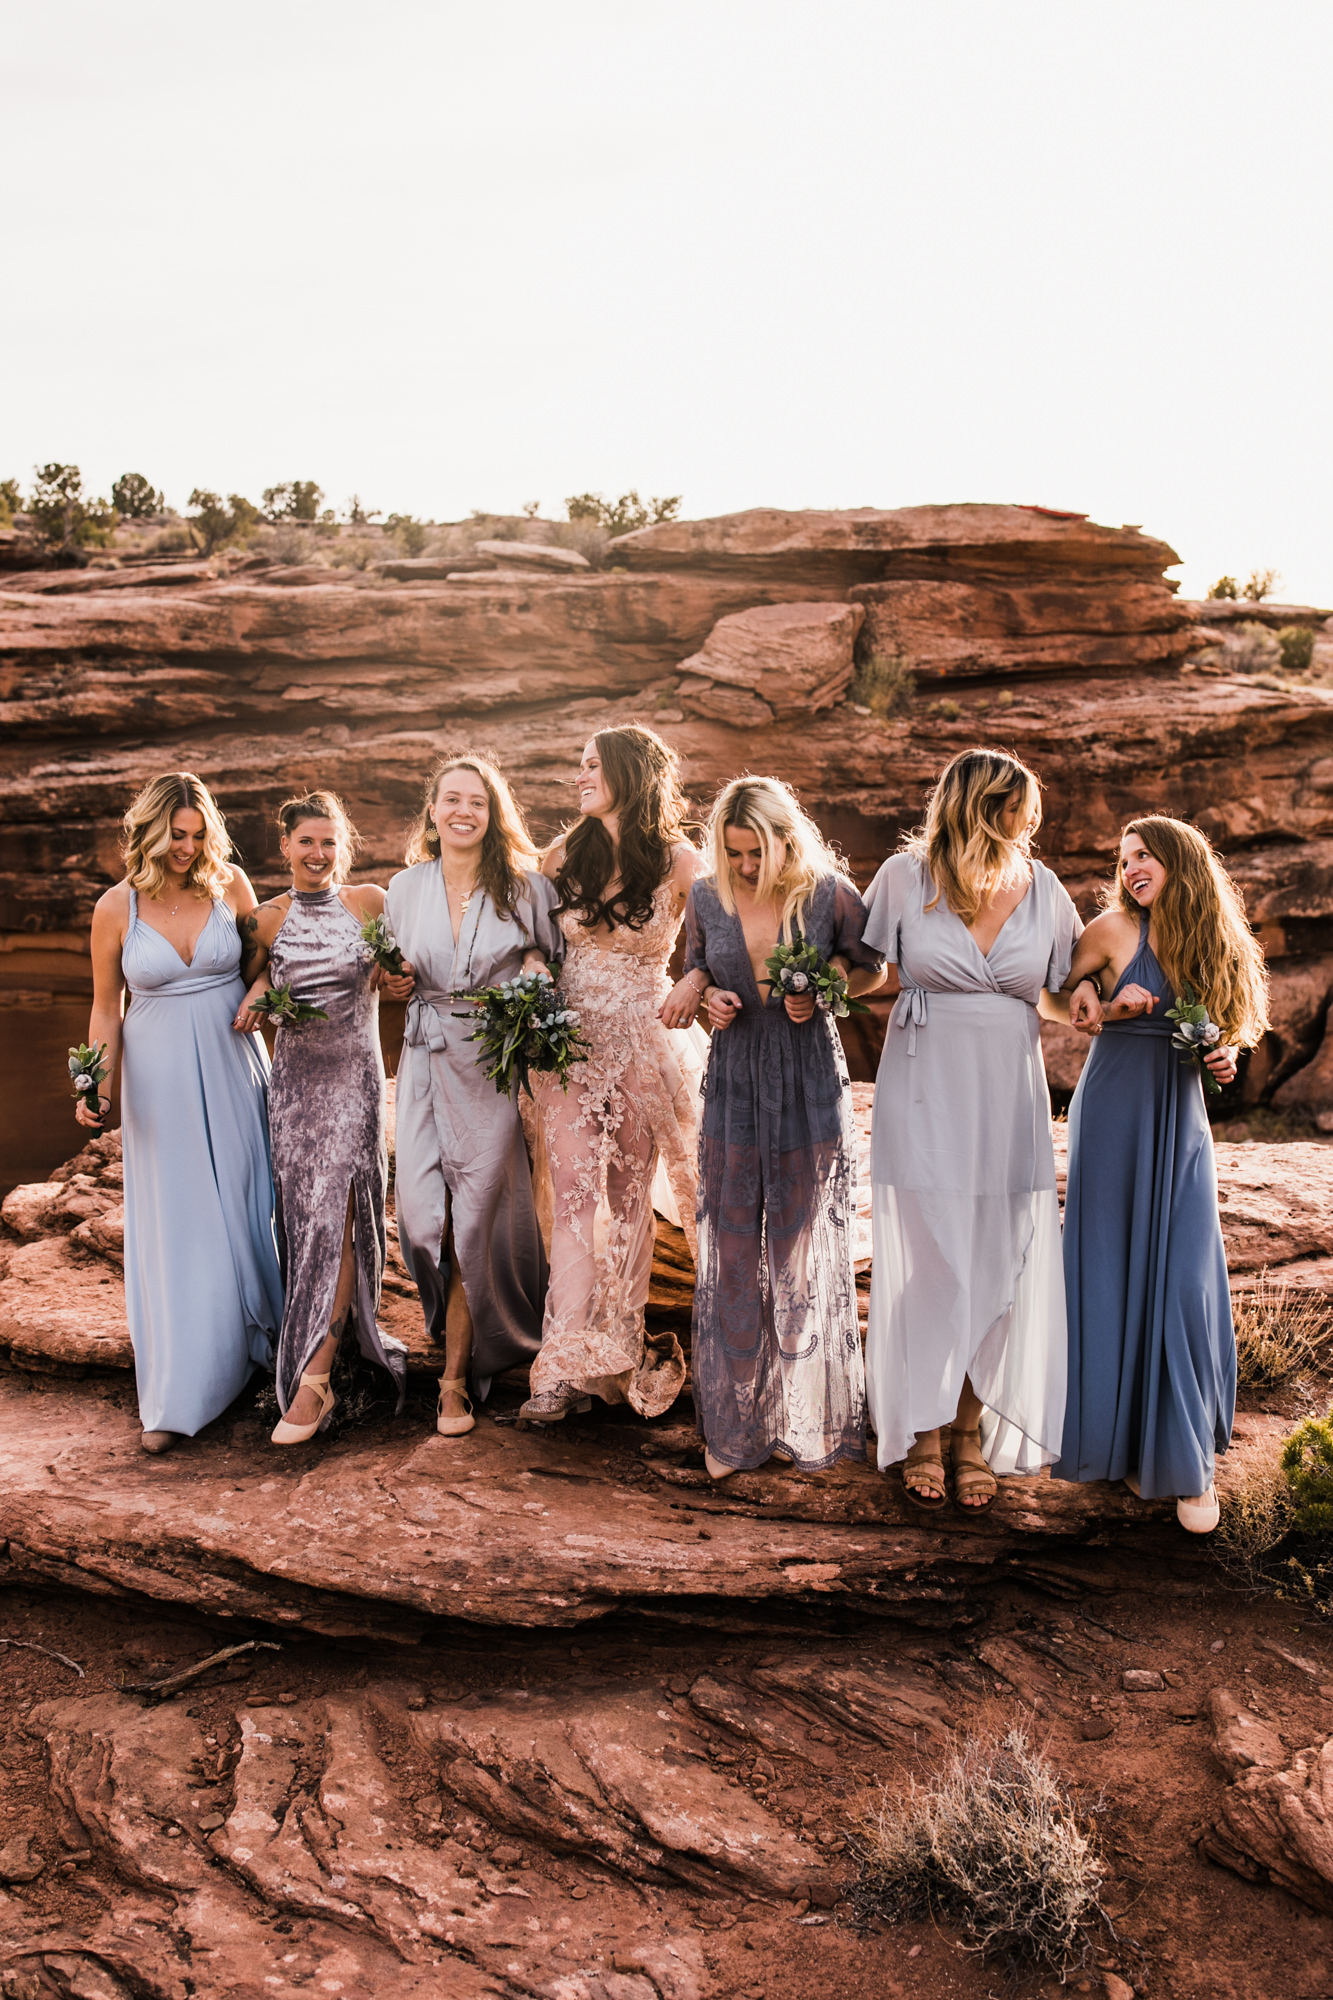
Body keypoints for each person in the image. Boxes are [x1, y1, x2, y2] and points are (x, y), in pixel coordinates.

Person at [862, 748, 1085, 1510]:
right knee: (935, 1258)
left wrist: (1100, 1007)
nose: (1030, 819)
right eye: (1019, 805)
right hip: (924, 1084)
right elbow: (863, 970)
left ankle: (968, 1430)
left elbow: (1058, 995)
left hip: (1006, 1094)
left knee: (996, 1258)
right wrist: (794, 983)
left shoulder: (1044, 887)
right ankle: (920, 1427)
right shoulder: (902, 878)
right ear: (984, 806)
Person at [1053, 816, 1267, 1532]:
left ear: (1179, 860)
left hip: (1178, 1117)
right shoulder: (1111, 931)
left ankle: (1183, 1461)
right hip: (1112, 1107)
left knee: (1183, 1276)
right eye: (1123, 859)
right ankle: (1110, 1446)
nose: (1131, 867)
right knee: (1108, 1268)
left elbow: (1230, 1033)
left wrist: (1225, 1058)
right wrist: (1105, 1006)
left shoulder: (1215, 942)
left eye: (1144, 855)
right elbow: (1056, 999)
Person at [684, 777, 885, 1479]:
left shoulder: (827, 892)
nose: (744, 866)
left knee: (797, 1251)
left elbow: (871, 967)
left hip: (806, 1081)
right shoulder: (705, 895)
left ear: (783, 838)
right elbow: (695, 966)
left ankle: (801, 1417)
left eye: (755, 852)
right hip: (735, 1079)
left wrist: (826, 983)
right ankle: (737, 1424)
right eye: (733, 852)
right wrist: (707, 994)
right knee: (735, 1252)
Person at [76, 772, 283, 1453]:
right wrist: (94, 1086)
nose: (188, 849)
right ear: (149, 832)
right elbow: (108, 1007)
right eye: (176, 836)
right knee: (183, 1220)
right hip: (159, 1075)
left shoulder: (231, 886)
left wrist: (258, 991)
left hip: (233, 1066)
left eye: (198, 836)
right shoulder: (116, 908)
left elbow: (266, 963)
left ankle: (267, 1350)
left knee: (250, 1202)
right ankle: (182, 1388)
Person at [519, 724, 708, 1423]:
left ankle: (616, 1350)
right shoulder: (561, 854)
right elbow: (532, 944)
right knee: (570, 1196)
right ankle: (560, 1365)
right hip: (567, 1047)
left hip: (640, 1043)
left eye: (592, 765)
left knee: (628, 1199)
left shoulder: (684, 863)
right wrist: (536, 974)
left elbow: (720, 940)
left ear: (628, 772)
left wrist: (694, 976)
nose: (579, 775)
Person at [385, 752, 562, 1437]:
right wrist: (391, 985)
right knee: (422, 1214)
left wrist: (535, 970)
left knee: (474, 1213)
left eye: (477, 802)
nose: (463, 811)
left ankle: (455, 1380)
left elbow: (547, 956)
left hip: (490, 1059)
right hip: (424, 1056)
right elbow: (389, 972)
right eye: (451, 799)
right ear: (431, 811)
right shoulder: (402, 888)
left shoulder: (524, 887)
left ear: (493, 816)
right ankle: (451, 1316)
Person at [234, 791, 412, 1444]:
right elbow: (247, 983)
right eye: (305, 841)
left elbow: (400, 974)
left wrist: (397, 982)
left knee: (339, 1218)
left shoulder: (370, 903)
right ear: (283, 846)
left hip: (355, 1084)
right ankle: (316, 1344)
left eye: (329, 842)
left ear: (344, 848)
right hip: (296, 1093)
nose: (317, 854)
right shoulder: (263, 920)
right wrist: (258, 992)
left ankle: (315, 1380)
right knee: (303, 1221)